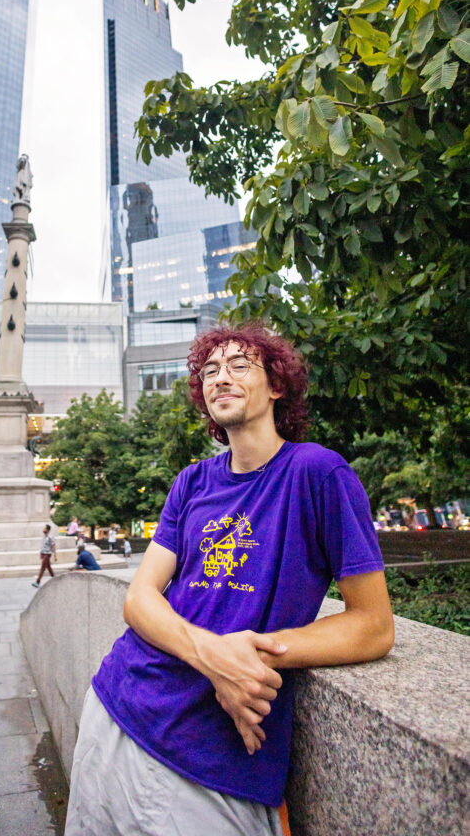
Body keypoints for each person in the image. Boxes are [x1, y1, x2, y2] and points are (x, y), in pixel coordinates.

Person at [64, 324, 394, 836]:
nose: (221, 378)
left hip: (213, 750)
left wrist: (249, 656)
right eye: (210, 371)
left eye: (240, 366)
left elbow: (373, 626)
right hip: (118, 701)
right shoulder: (191, 482)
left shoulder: (320, 474)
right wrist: (212, 656)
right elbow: (140, 598)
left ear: (276, 385)